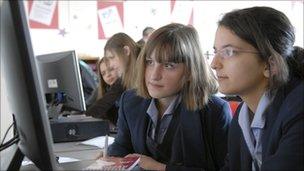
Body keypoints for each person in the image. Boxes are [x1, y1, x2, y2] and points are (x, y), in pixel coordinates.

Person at [108, 23, 232, 170]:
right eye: (150, 62)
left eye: (169, 65)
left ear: (190, 72)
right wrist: (112, 158)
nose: (154, 75)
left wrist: (159, 167)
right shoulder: (130, 101)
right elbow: (122, 145)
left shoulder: (214, 111)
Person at [211, 7, 304, 171]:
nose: (214, 64)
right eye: (215, 52)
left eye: (229, 52)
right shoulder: (242, 115)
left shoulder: (298, 108)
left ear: (270, 64)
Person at [85, 57, 123, 125]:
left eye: (111, 69)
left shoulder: (123, 85)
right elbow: (87, 107)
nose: (108, 75)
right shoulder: (101, 89)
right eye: (103, 73)